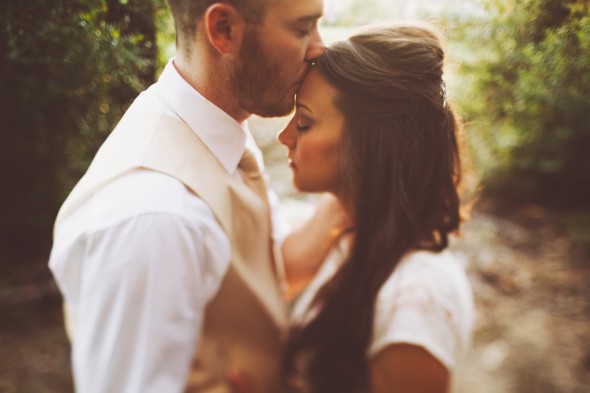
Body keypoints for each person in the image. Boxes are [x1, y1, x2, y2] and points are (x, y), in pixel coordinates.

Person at [48, 0, 326, 392]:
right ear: (223, 29)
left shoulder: (217, 130)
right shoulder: (155, 219)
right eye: (302, 29)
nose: (319, 47)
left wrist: (367, 174)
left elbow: (269, 268)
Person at [278, 22, 474, 393]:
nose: (284, 136)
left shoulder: (418, 299)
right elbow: (282, 268)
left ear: (370, 145)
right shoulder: (349, 233)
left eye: (304, 122)